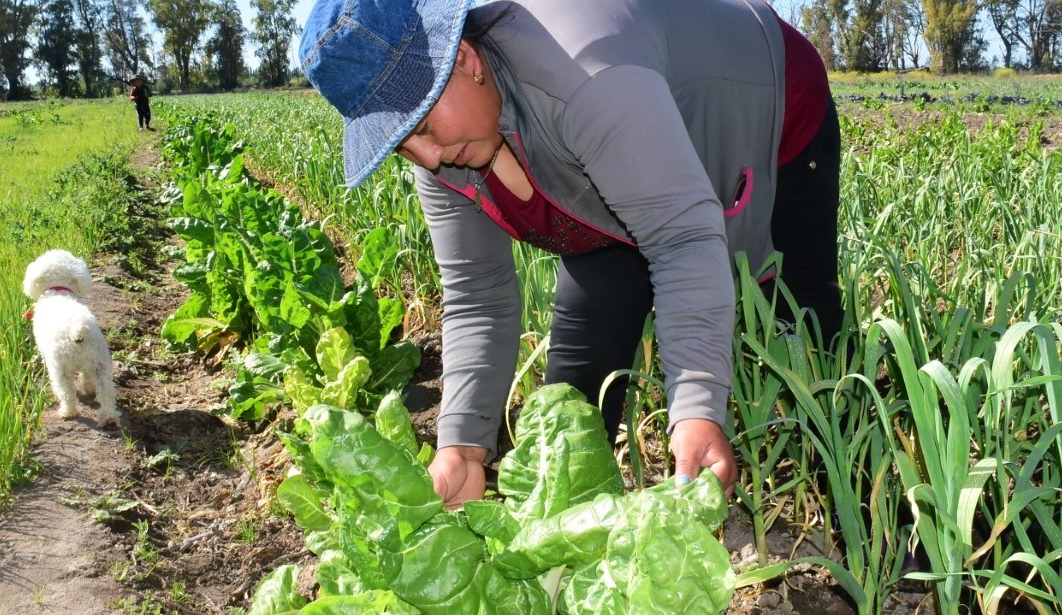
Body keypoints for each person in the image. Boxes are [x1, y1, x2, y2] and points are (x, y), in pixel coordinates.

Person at [298, 0, 842, 508]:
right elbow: (476, 295)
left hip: (762, 101)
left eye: (421, 126)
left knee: (801, 330)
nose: (428, 156)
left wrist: (697, 407)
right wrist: (461, 445)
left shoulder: (584, 78)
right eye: (402, 144)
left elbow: (680, 238)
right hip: (603, 184)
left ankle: (866, 510)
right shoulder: (442, 154)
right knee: (569, 420)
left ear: (463, 60)